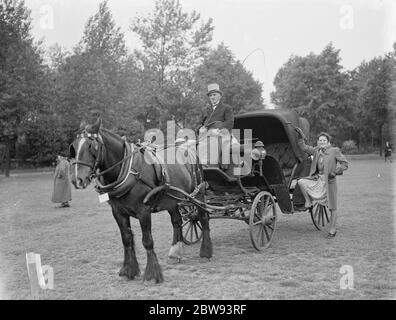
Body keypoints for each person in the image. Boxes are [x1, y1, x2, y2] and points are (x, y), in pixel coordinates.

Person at [295, 129, 348, 238]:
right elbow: (304, 147)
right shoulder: (316, 150)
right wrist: (300, 137)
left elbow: (344, 164)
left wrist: (335, 172)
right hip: (318, 180)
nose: (322, 142)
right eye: (320, 140)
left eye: (324, 140)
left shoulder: (334, 151)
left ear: (328, 142)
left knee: (332, 207)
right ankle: (308, 201)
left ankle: (333, 230)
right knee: (301, 182)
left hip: (329, 182)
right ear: (318, 142)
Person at [197, 83, 236, 168]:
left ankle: (212, 165)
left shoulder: (226, 108)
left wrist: (218, 130)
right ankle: (200, 165)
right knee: (193, 144)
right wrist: (200, 129)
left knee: (214, 142)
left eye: (214, 95)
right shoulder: (206, 110)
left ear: (220, 96)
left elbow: (230, 123)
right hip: (206, 135)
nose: (212, 97)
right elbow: (199, 123)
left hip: (222, 134)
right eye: (210, 95)